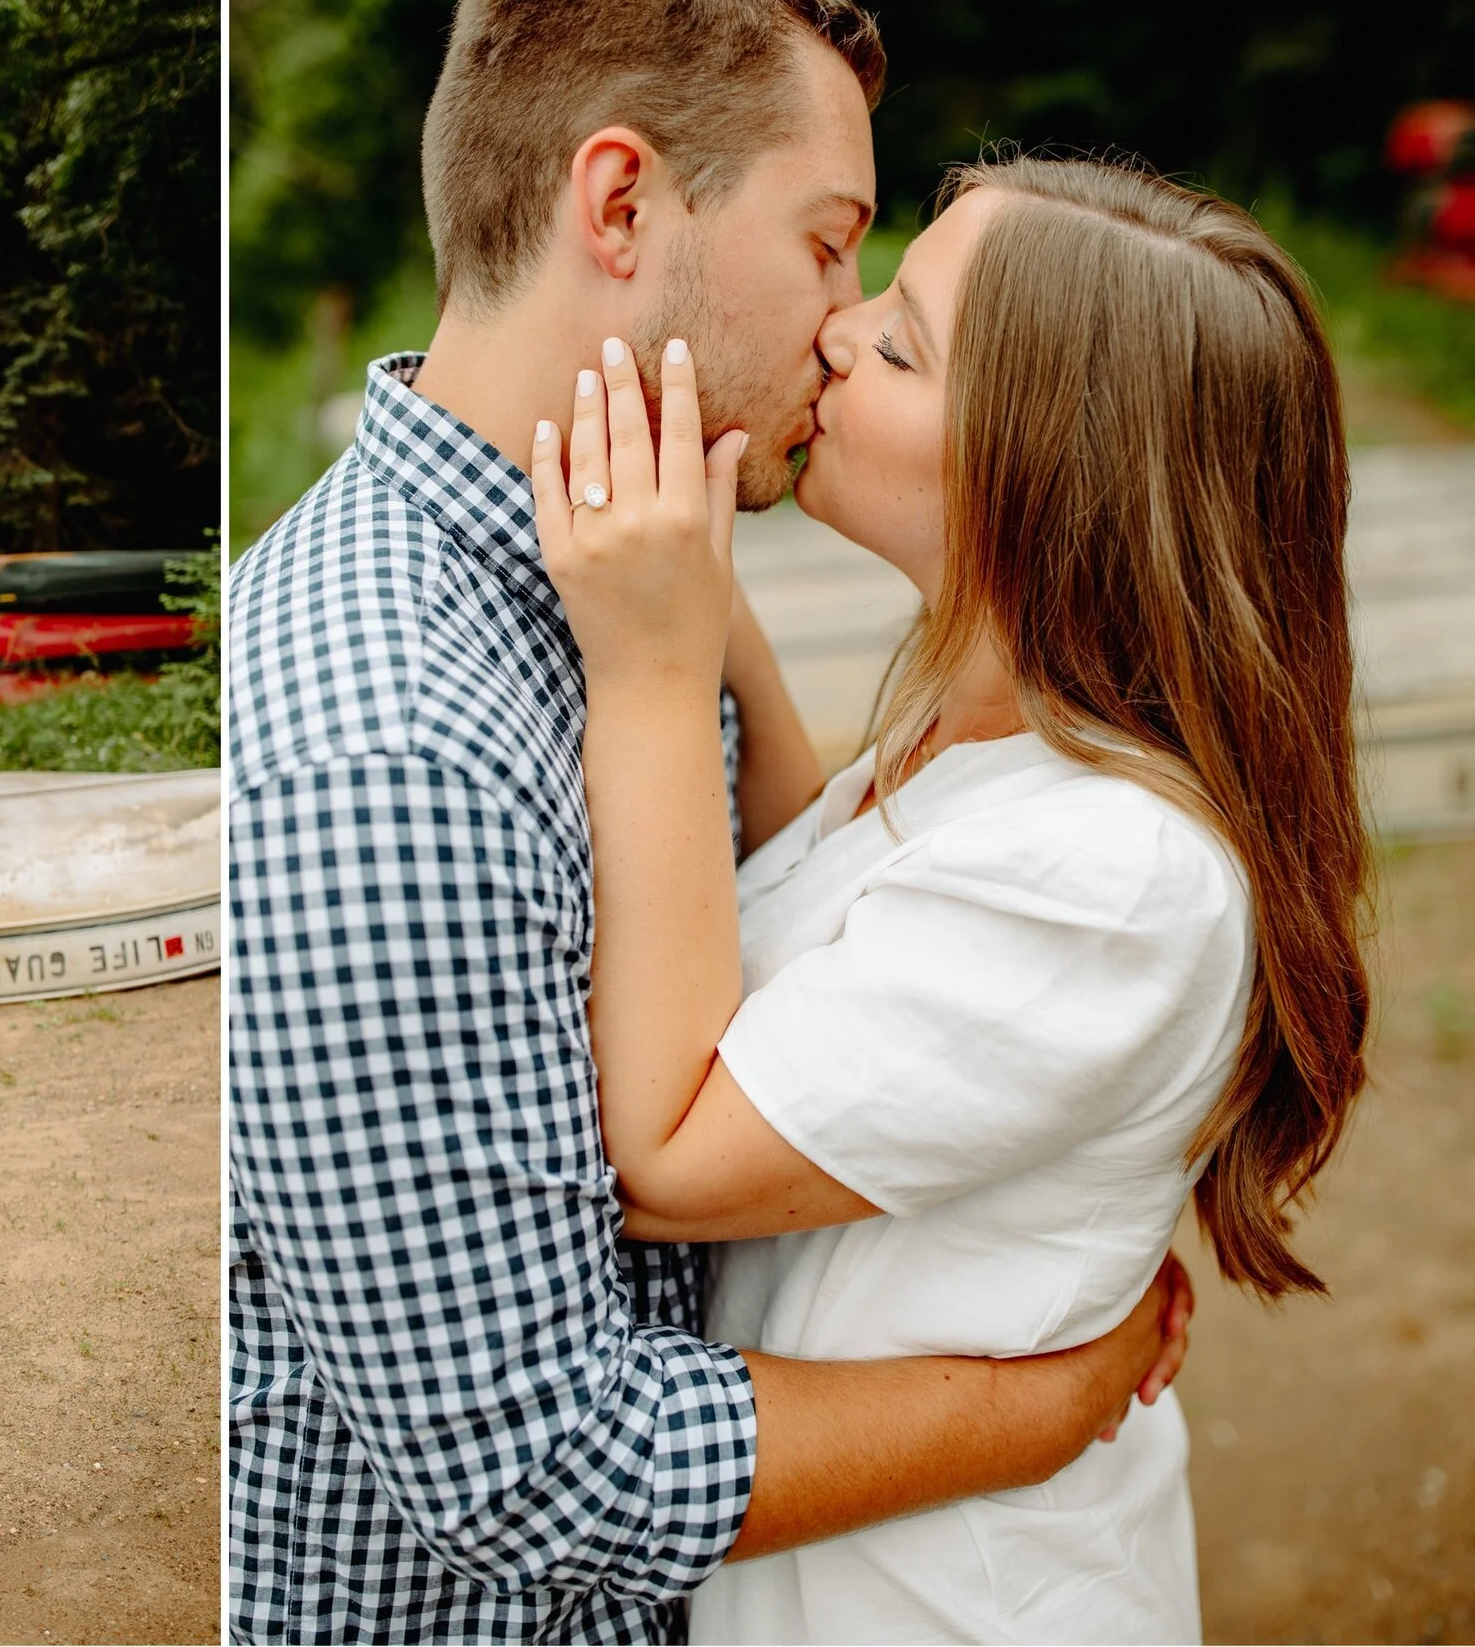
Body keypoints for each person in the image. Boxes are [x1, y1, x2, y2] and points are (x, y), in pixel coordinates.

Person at [226, 0, 1193, 1643]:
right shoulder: (393, 750)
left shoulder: (625, 580)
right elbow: (540, 1466)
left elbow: (799, 946)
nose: (840, 320)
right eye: (833, 246)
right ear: (620, 207)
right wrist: (1040, 1394)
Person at [535, 158, 1369, 1642]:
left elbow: (659, 1157)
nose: (840, 334)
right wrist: (710, 604)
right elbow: (828, 909)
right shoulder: (998, 738)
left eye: (904, 344)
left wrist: (652, 676)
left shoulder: (1117, 873)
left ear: (1049, 477)